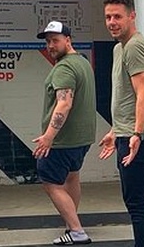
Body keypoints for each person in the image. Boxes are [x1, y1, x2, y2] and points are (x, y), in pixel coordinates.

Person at [98, 0, 144, 247]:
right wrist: (116, 130)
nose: (112, 22)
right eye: (108, 17)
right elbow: (126, 97)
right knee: (132, 201)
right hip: (127, 134)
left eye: (117, 16)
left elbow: (143, 93)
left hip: (140, 138)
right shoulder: (119, 48)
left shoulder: (135, 47)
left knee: (136, 203)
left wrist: (136, 134)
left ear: (132, 16)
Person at [32, 20, 97, 246]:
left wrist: (49, 136)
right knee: (72, 177)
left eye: (55, 40)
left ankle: (77, 231)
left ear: (68, 40)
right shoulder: (82, 62)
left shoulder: (64, 68)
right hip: (81, 138)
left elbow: (64, 104)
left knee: (50, 182)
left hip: (63, 140)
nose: (51, 45)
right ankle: (72, 224)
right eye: (48, 41)